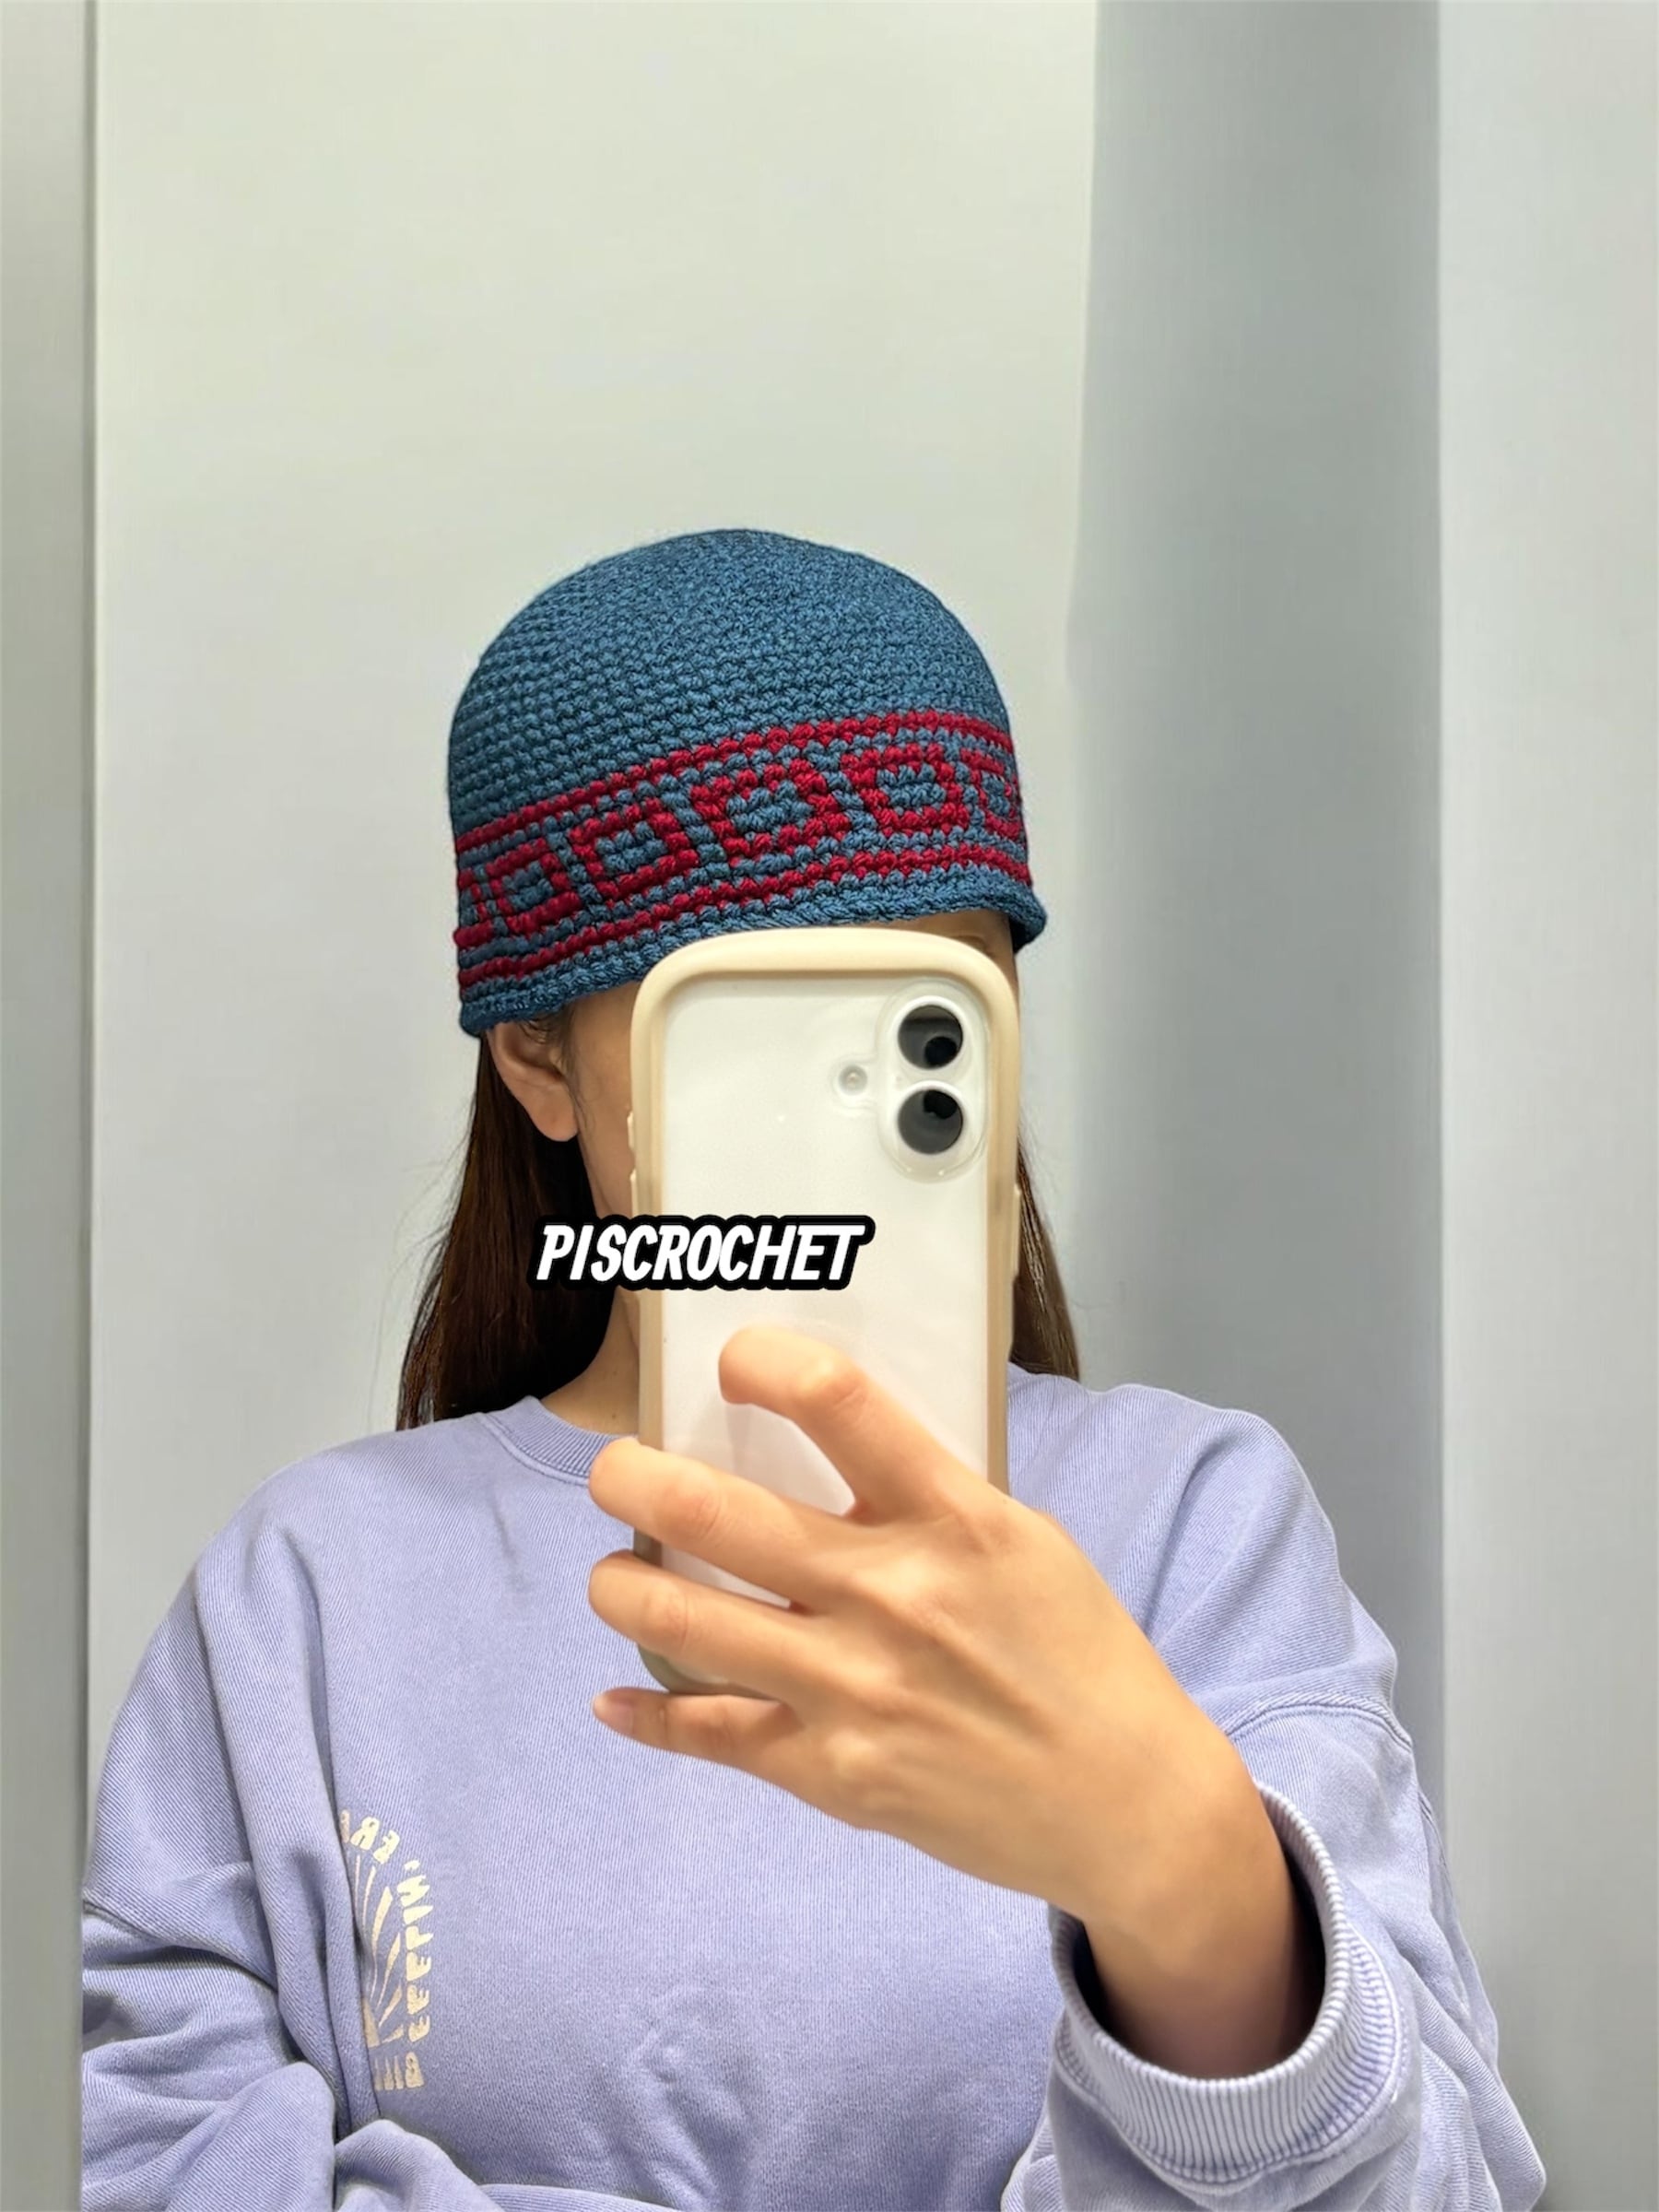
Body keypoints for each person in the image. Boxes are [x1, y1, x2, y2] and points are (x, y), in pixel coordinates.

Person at [81, 528, 1546, 2211]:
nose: (830, 1130)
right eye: (758, 1040)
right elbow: (133, 2152)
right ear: (541, 1062)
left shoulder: (1190, 1525)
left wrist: (1200, 1894)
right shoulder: (309, 1592)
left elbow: (1439, 2182)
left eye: (923, 1019)